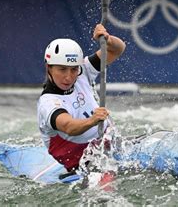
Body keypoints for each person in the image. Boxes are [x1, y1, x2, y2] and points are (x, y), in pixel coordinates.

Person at [37, 24, 126, 172]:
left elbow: (117, 49)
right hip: (84, 163)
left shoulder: (83, 71)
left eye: (73, 69)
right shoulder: (48, 103)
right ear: (49, 68)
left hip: (111, 146)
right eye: (62, 69)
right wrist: (93, 120)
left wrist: (108, 40)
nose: (69, 76)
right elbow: (69, 127)